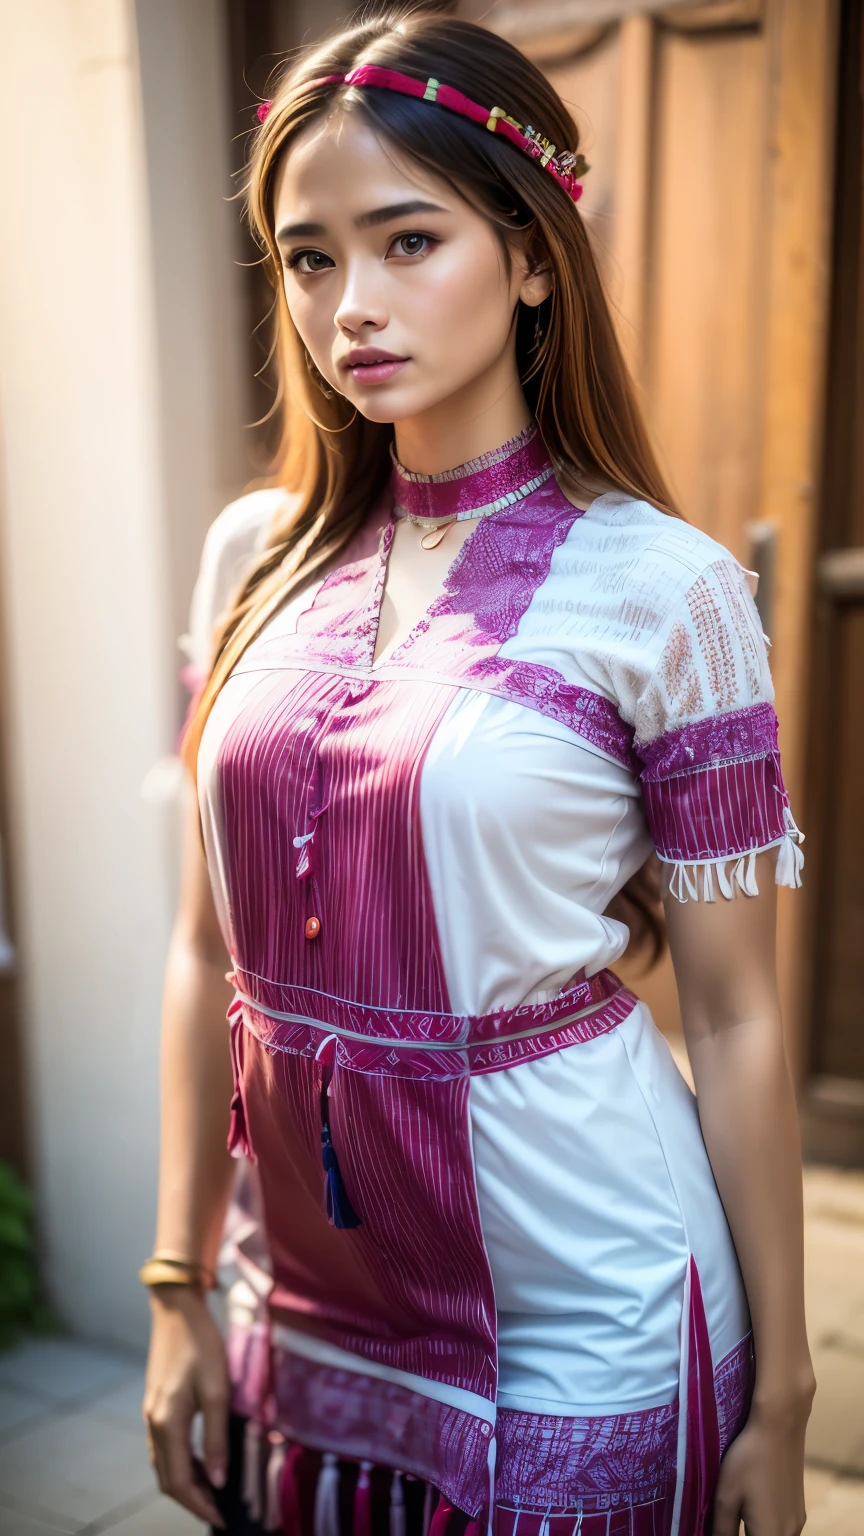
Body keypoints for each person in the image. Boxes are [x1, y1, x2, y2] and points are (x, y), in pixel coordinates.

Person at [142, 10, 814, 1535]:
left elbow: (735, 1009)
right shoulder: (252, 560)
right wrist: (178, 1281)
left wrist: (786, 1398)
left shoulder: (667, 589)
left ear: (529, 256)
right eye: (309, 257)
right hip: (301, 1302)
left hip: (582, 1318)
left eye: (406, 241)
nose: (349, 306)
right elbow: (202, 950)